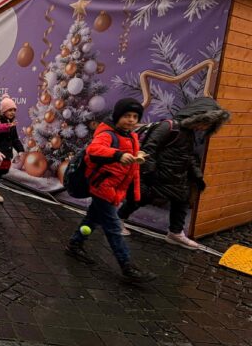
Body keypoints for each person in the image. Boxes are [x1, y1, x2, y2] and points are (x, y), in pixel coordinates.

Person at [118, 97, 230, 249]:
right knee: (138, 199)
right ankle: (117, 220)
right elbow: (148, 150)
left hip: (175, 178)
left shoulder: (189, 133)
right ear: (197, 116)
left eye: (208, 125)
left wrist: (197, 175)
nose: (204, 127)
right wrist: (149, 175)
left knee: (181, 201)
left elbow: (188, 156)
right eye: (205, 122)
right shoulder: (169, 126)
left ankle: (175, 233)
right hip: (156, 176)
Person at [66, 98, 156, 283]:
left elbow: (133, 169)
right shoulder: (108, 134)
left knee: (92, 219)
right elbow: (94, 150)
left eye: (135, 116)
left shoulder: (131, 136)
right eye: (126, 116)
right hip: (103, 188)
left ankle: (75, 244)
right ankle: (127, 265)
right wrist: (118, 155)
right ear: (117, 116)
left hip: (114, 188)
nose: (131, 120)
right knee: (114, 228)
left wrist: (137, 156)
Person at [0, 94, 25, 203]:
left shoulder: (12, 123)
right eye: (9, 110)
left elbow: (15, 139)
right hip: (0, 152)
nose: (12, 112)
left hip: (7, 152)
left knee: (5, 170)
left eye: (14, 110)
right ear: (3, 111)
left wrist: (21, 150)